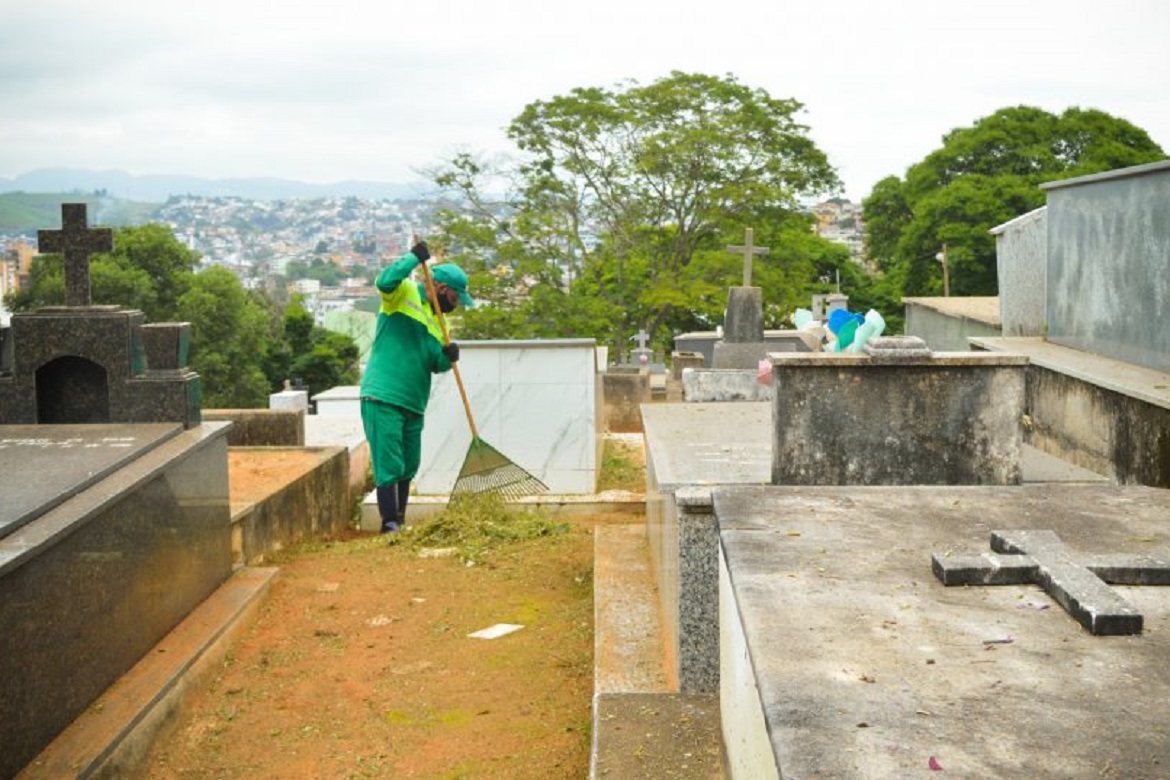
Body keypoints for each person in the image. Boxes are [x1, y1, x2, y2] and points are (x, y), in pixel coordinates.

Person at [359, 239, 474, 533]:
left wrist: (448, 357)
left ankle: (401, 518)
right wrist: (413, 258)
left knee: (409, 463)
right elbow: (384, 281)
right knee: (389, 461)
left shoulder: (438, 325)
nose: (456, 304)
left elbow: (435, 364)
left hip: (413, 401)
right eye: (456, 298)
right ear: (442, 289)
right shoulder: (404, 294)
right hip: (383, 394)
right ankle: (389, 524)